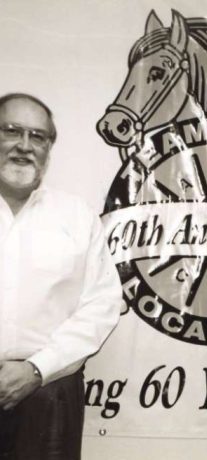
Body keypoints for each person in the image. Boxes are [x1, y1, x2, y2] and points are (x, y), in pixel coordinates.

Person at [0, 93, 122, 460]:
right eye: (12, 131)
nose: (24, 146)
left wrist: (38, 369)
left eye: (38, 137)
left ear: (49, 149)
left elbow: (101, 304)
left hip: (48, 392)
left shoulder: (76, 217)